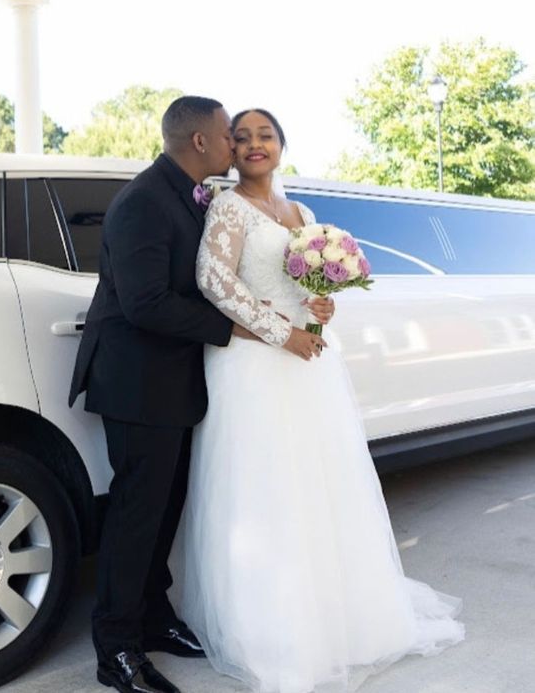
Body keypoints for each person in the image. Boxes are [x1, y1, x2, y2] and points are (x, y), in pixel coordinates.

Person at [171, 109, 465, 693]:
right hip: (252, 367)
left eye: (266, 136)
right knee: (265, 490)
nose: (255, 145)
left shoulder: (303, 213)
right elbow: (213, 278)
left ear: (282, 146)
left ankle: (334, 614)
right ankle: (271, 629)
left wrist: (322, 305)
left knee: (317, 486)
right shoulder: (228, 207)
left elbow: (307, 287)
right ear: (229, 148)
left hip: (308, 365)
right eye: (244, 136)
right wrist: (282, 332)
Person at [68, 97, 323, 693]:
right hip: (136, 384)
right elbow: (144, 303)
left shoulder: (191, 194)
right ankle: (117, 651)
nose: (239, 146)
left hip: (177, 382)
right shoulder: (143, 202)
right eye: (229, 134)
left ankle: (155, 619)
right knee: (135, 517)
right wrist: (239, 327)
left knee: (164, 513)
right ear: (203, 142)